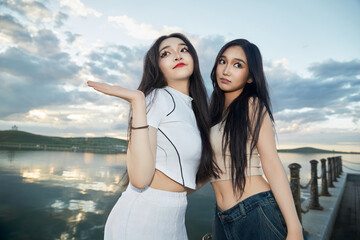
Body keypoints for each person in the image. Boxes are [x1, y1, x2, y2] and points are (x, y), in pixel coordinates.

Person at [87, 33, 218, 240]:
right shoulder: (157, 97)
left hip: (175, 217)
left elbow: (194, 177)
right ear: (156, 66)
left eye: (183, 49)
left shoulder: (195, 110)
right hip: (140, 218)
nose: (177, 55)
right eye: (166, 53)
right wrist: (138, 100)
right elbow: (139, 179)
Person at [208, 39, 306, 240]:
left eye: (238, 65)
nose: (226, 70)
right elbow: (211, 168)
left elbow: (271, 162)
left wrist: (294, 228)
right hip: (222, 216)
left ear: (250, 77)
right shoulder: (215, 112)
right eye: (222, 61)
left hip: (254, 210)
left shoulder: (252, 105)